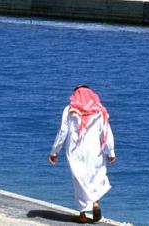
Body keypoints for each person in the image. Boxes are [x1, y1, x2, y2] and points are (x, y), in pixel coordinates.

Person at [49, 85, 116, 224]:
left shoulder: (69, 110)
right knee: (95, 176)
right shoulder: (99, 110)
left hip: (75, 151)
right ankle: (95, 203)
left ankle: (83, 215)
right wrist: (111, 152)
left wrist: (54, 152)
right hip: (95, 150)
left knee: (80, 181)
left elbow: (62, 132)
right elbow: (106, 132)